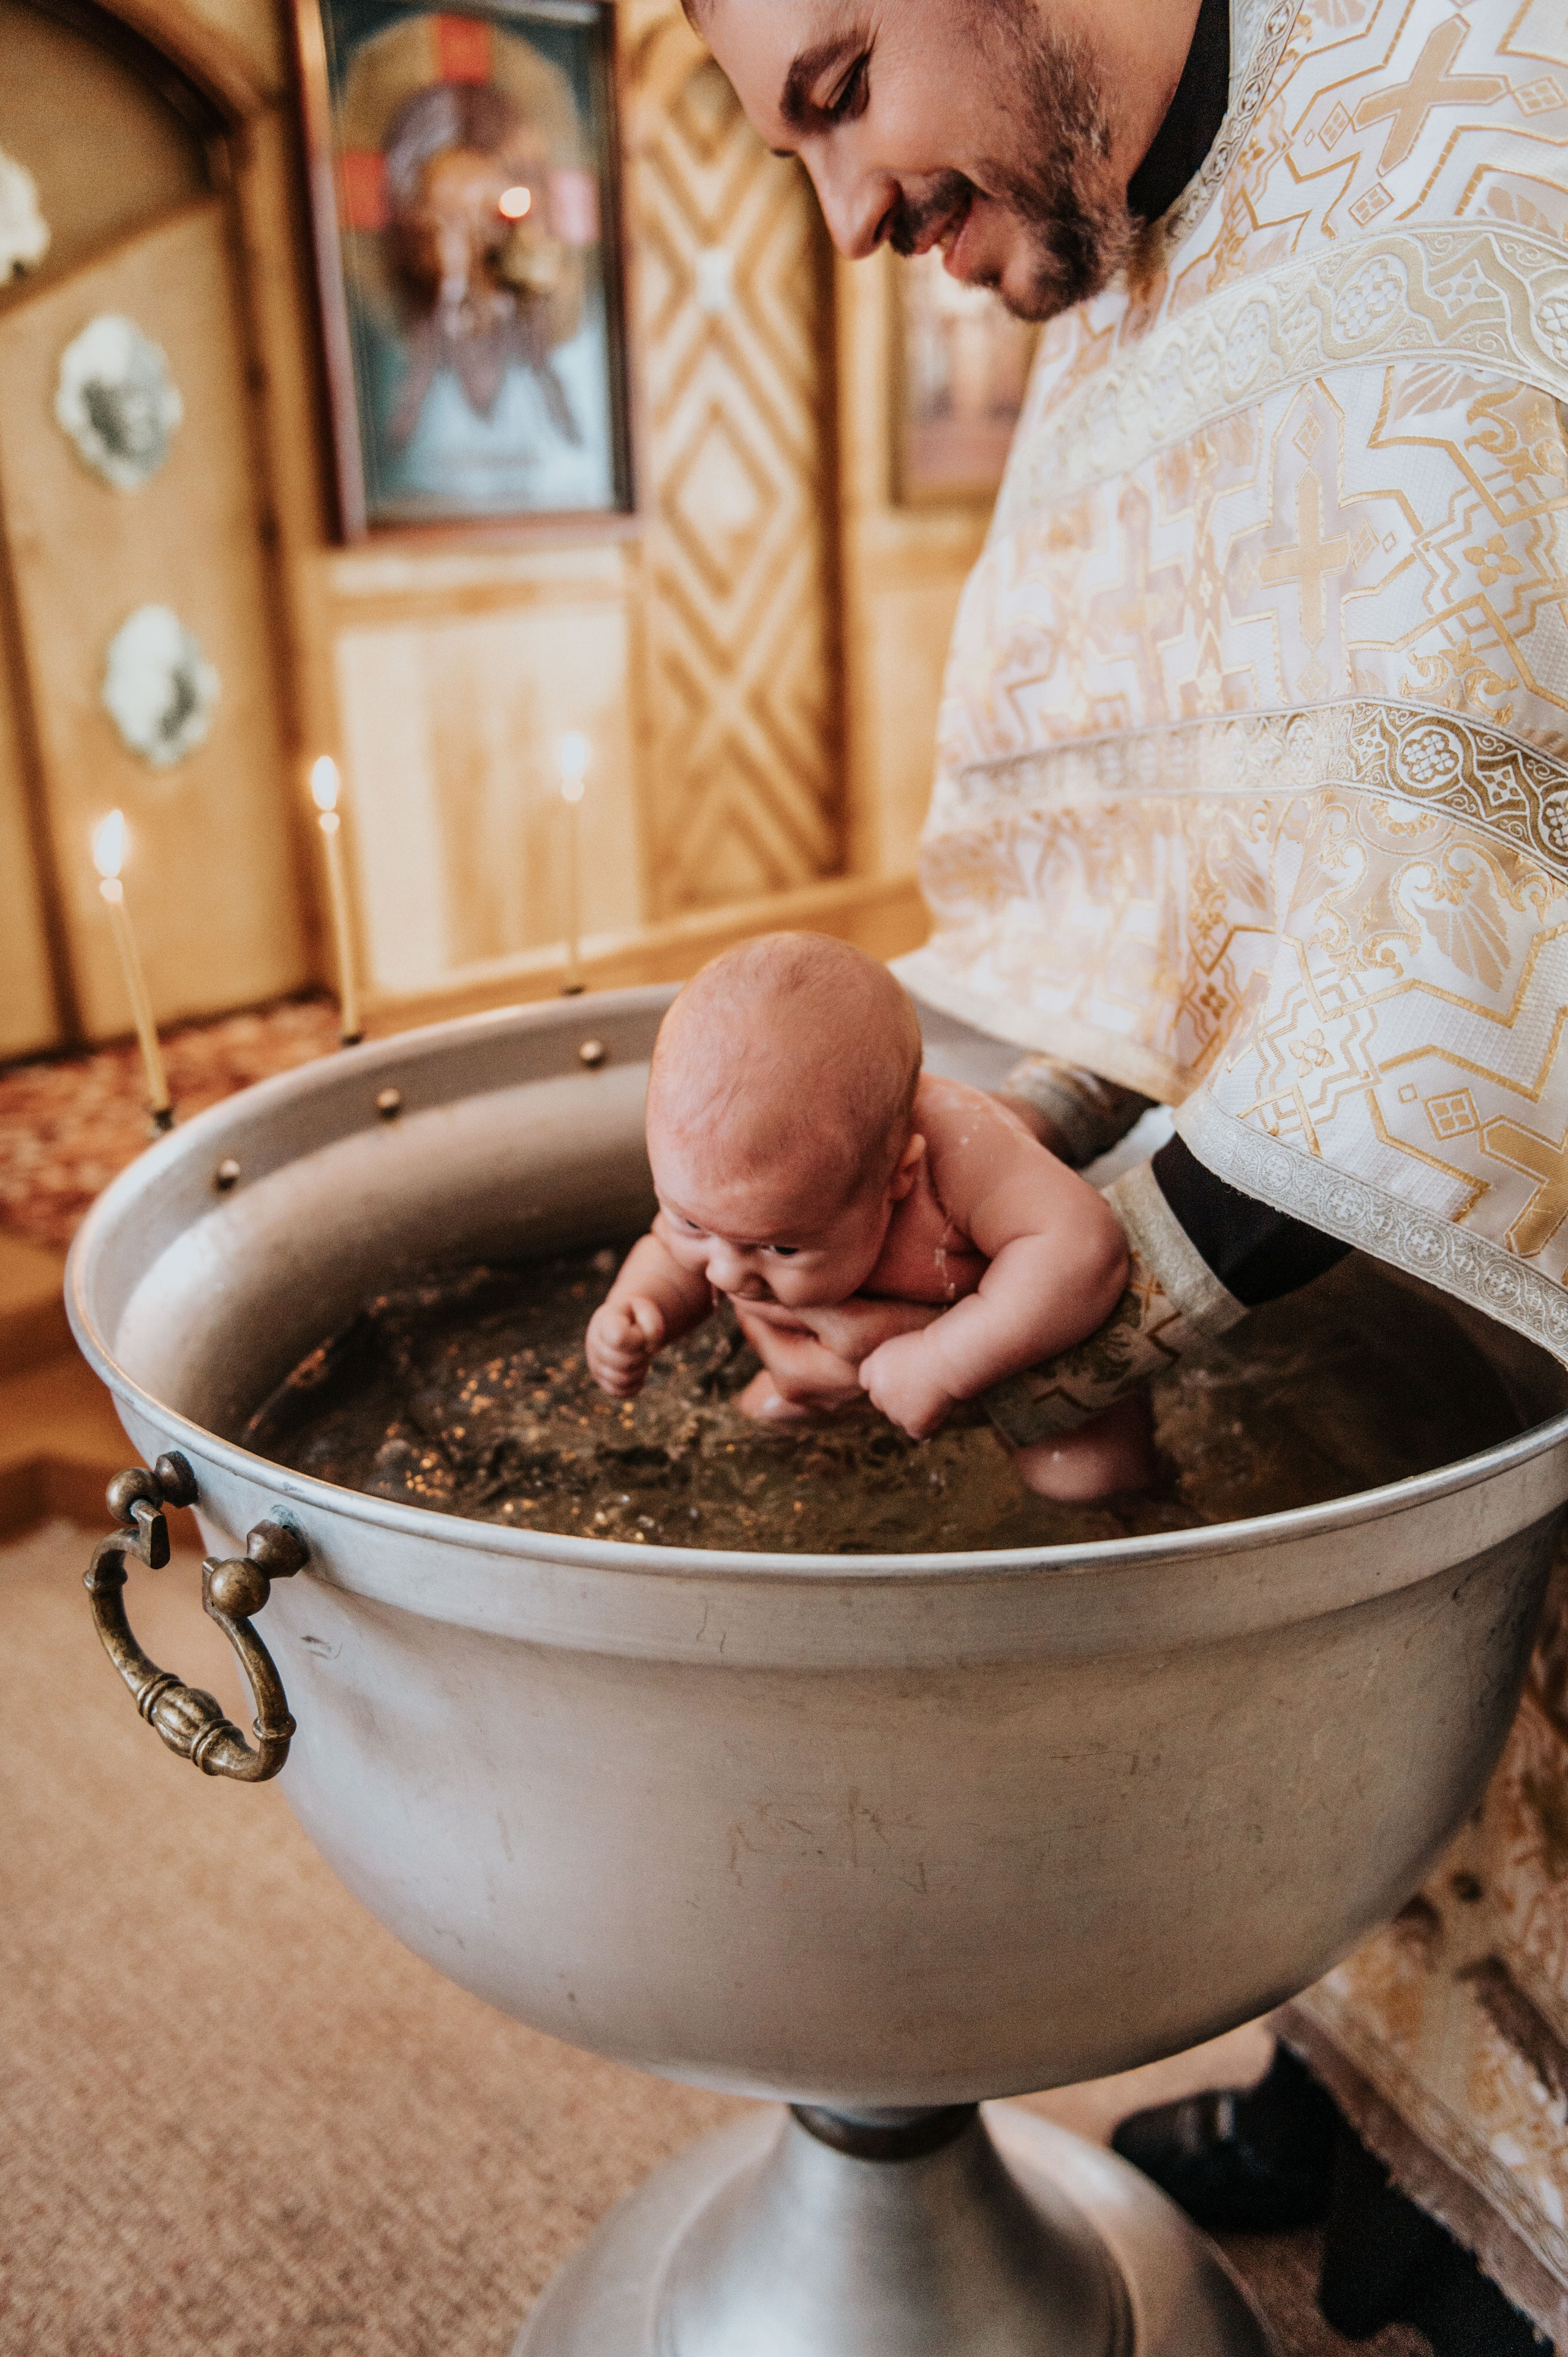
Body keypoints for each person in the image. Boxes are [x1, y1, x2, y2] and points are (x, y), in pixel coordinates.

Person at [688, 0, 1568, 2347]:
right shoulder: (1115, 291)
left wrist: (1133, 1259)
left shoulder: (1500, 105)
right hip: (1369, 1264)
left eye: (838, 88)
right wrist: (925, 1138)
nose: (845, 213)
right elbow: (1134, 878)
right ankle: (1359, 2074)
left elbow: (1506, 897)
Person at [586, 931, 1161, 1498]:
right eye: (695, 1225)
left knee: (1087, 1477)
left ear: (898, 1176)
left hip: (1024, 1369)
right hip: (833, 1377)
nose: (725, 1274)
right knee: (753, 1426)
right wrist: (639, 1308)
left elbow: (1083, 1248)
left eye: (782, 1247)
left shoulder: (959, 1154)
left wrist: (946, 1360)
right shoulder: (729, 1205)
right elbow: (666, 1251)